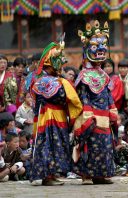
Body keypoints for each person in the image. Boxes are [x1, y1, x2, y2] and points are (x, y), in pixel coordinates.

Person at [30, 39, 82, 186]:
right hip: (51, 117)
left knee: (53, 144)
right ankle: (47, 176)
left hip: (49, 117)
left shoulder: (43, 80)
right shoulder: (54, 81)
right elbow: (62, 98)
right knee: (49, 144)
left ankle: (51, 175)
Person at [72, 20, 118, 185]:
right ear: (86, 49)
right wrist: (87, 113)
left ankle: (101, 174)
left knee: (105, 146)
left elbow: (107, 95)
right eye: (95, 46)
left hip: (104, 116)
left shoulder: (104, 75)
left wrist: (113, 109)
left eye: (103, 46)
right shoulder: (84, 75)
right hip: (90, 116)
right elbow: (83, 96)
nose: (100, 50)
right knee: (90, 145)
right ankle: (86, 175)